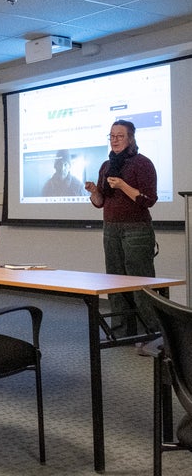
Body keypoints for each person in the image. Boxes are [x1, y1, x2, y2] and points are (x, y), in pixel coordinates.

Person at [85, 119, 158, 335]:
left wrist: (123, 185)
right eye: (112, 136)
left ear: (131, 139)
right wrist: (94, 192)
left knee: (140, 282)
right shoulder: (106, 166)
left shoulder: (142, 163)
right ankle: (121, 330)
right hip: (111, 229)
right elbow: (100, 203)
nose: (115, 140)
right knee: (114, 281)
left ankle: (150, 333)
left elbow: (148, 199)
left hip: (136, 230)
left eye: (120, 136)